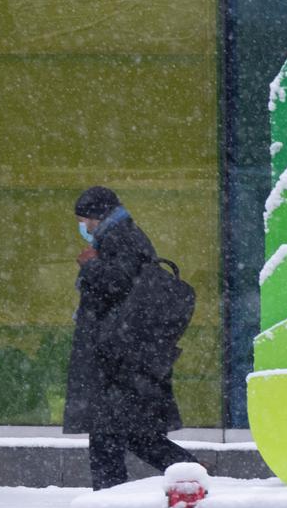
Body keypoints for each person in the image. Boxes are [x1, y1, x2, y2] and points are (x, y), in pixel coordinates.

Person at [64, 186, 193, 490]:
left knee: (113, 433)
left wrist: (90, 265)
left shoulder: (121, 237)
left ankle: (111, 500)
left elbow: (119, 283)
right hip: (116, 353)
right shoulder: (118, 236)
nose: (84, 227)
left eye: (85, 220)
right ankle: (187, 471)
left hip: (116, 356)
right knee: (122, 433)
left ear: (99, 215)